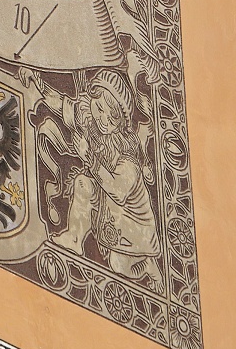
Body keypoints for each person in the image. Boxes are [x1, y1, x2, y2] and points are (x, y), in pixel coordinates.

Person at [34, 67, 163, 290]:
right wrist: (38, 84)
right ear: (92, 99)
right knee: (82, 183)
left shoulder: (127, 152)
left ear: (121, 122)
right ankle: (74, 239)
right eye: (100, 109)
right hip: (106, 206)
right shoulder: (89, 120)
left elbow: (118, 192)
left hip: (132, 223)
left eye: (112, 118)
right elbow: (61, 104)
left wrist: (88, 156)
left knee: (119, 266)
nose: (103, 120)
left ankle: (148, 266)